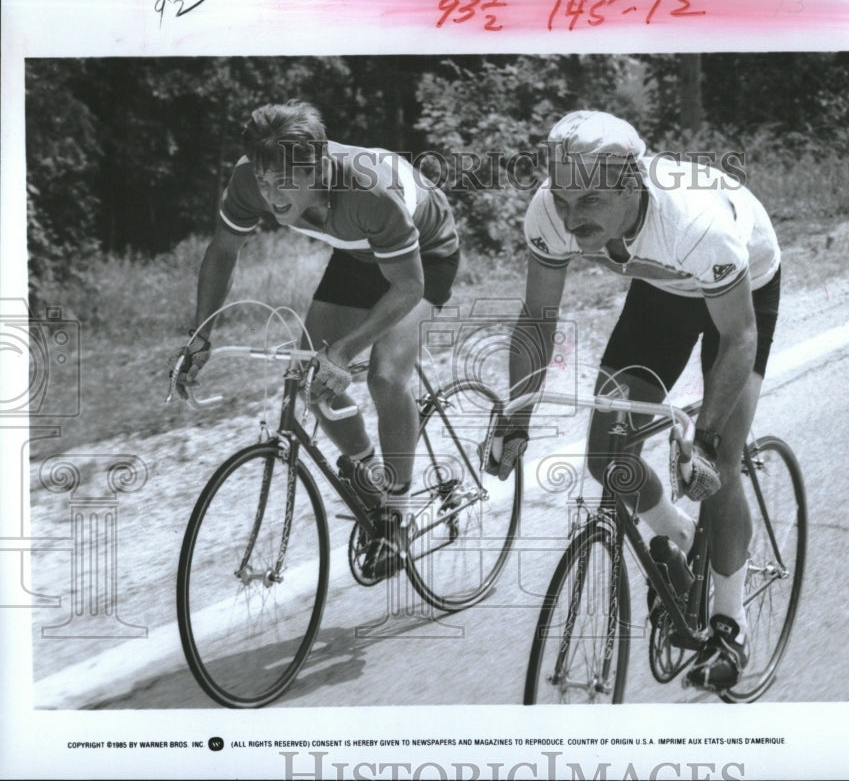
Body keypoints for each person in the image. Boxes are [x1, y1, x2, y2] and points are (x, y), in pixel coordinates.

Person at [486, 110, 781, 692]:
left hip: (741, 289)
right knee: (607, 458)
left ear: (632, 183)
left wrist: (706, 436)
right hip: (662, 289)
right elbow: (538, 320)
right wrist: (514, 419)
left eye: (590, 201)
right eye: (565, 201)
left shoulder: (695, 222)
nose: (572, 220)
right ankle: (679, 535)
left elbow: (739, 336)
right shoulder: (550, 211)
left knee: (717, 465)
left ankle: (731, 623)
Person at [170, 100, 461, 580]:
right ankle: (369, 473)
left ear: (321, 167)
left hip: (423, 256)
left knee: (386, 378)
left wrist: (344, 351)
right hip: (360, 250)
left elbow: (407, 286)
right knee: (308, 373)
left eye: (286, 181)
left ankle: (395, 513)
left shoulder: (368, 190)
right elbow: (223, 250)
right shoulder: (251, 177)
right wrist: (200, 336)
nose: (273, 195)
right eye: (266, 182)